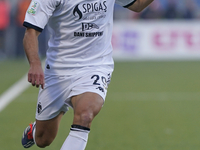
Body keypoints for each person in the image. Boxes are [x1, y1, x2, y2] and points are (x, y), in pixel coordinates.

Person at [21, 0, 154, 149]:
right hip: (58, 70)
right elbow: (31, 33)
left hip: (96, 66)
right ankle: (35, 131)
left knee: (85, 115)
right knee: (43, 139)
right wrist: (35, 64)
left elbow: (137, 5)